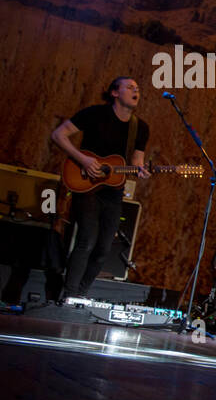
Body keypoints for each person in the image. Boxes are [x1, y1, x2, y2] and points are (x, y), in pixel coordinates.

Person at [49, 77, 150, 299]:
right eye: (130, 87)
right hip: (85, 183)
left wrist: (141, 170)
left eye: (138, 89)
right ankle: (69, 295)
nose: (136, 91)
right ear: (114, 93)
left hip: (113, 191)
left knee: (104, 248)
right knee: (86, 240)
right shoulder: (94, 114)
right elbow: (59, 135)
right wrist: (83, 160)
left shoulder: (139, 128)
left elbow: (136, 162)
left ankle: (81, 294)